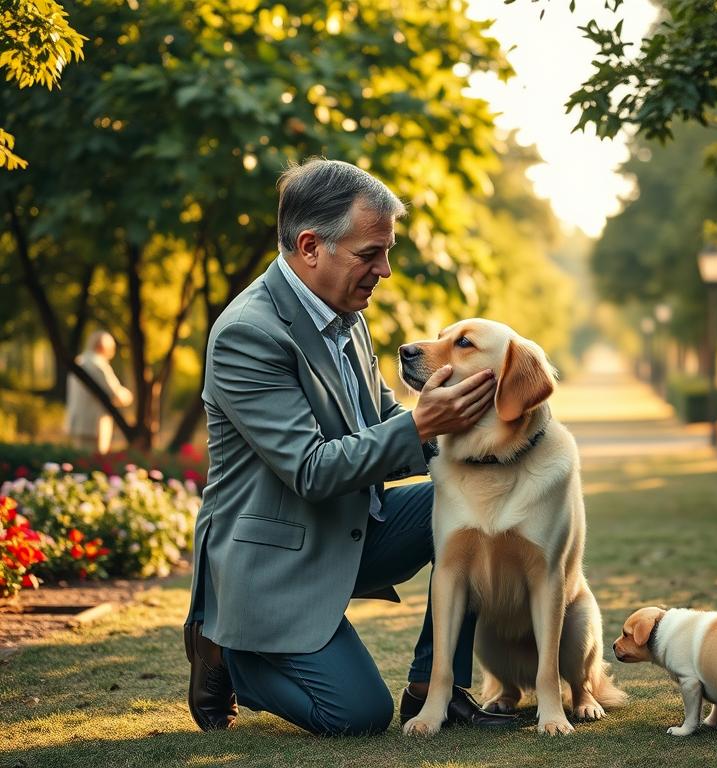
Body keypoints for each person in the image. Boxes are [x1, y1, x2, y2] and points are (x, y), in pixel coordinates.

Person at [183, 158, 516, 736]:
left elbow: (380, 416)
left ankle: (433, 687)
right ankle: (227, 653)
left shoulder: (345, 312)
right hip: (275, 560)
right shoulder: (247, 334)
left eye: (386, 252)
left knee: (488, 499)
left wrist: (495, 449)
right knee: (358, 716)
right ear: (311, 246)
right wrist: (419, 427)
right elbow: (310, 469)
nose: (384, 270)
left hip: (350, 528)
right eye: (370, 254)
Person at [65, 330, 133, 454]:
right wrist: (128, 396)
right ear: (103, 347)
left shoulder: (79, 361)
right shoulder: (98, 365)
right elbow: (115, 394)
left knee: (80, 461)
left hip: (78, 422)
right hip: (94, 425)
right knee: (93, 464)